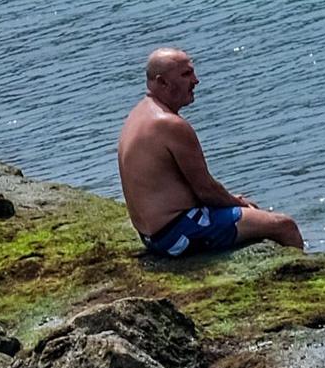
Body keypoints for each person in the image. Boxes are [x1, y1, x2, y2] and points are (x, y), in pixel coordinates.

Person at [116, 48, 305, 257]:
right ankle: (304, 274)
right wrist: (240, 203)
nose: (195, 81)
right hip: (178, 234)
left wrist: (234, 202)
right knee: (284, 225)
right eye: (186, 74)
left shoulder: (139, 114)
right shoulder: (171, 125)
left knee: (251, 215)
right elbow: (205, 190)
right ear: (162, 82)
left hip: (153, 236)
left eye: (193, 72)